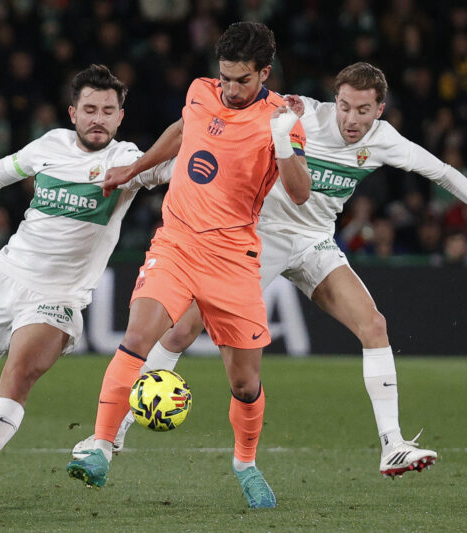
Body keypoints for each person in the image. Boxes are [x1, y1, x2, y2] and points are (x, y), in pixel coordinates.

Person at [74, 62, 467, 478]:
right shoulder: (300, 115)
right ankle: (115, 433)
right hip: (259, 236)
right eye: (344, 106)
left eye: (362, 110)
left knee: (374, 325)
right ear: (334, 101)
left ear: (379, 109)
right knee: (179, 333)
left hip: (315, 242)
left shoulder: (384, 141)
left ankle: (392, 446)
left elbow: (441, 171)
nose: (351, 119)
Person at [65, 22, 311, 509]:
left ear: (265, 72)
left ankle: (245, 462)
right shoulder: (201, 92)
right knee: (137, 339)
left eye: (243, 80)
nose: (231, 89)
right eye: (225, 78)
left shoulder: (282, 118)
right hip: (176, 244)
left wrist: (283, 139)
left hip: (233, 259)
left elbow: (301, 193)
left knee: (245, 384)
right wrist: (133, 168)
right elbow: (182, 130)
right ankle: (100, 447)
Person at [0, 64, 175, 507]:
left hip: (58, 297)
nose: (98, 118)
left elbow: (176, 169)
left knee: (18, 375)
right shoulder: (50, 145)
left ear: (121, 117)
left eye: (108, 110)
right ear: (73, 113)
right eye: (90, 109)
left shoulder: (127, 160)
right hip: (5, 278)